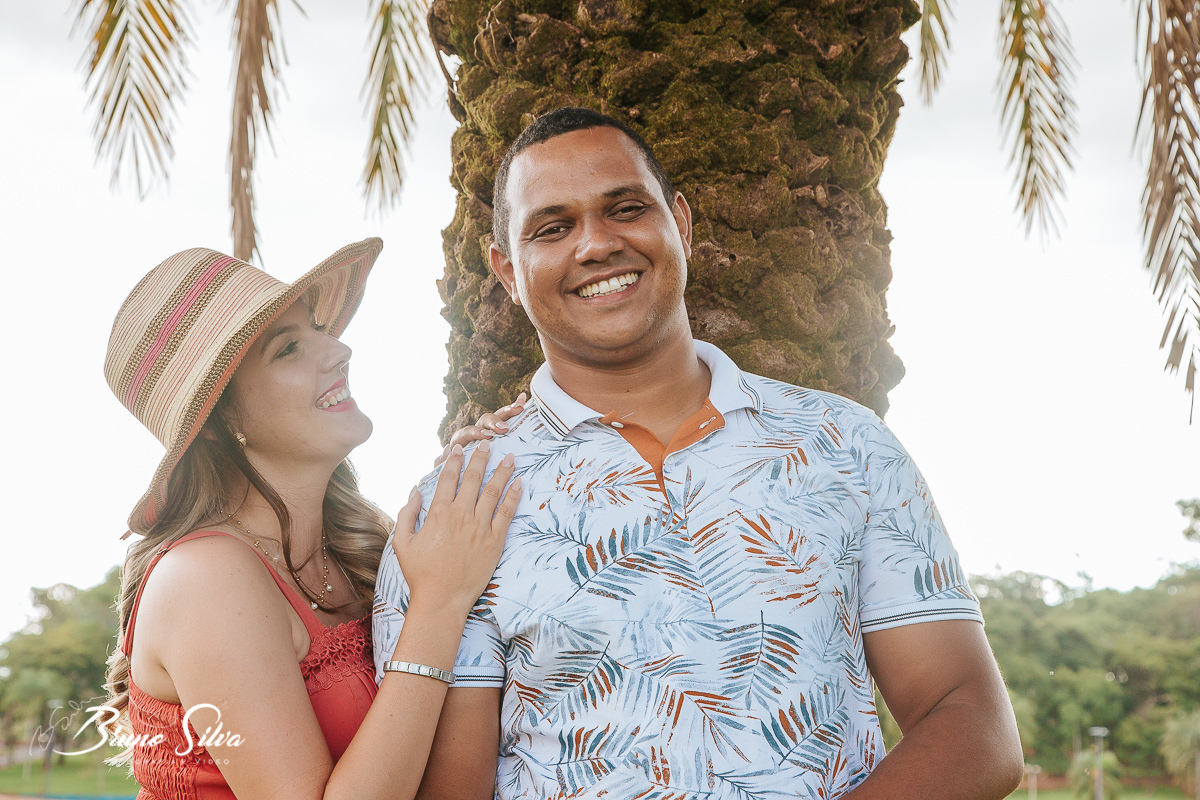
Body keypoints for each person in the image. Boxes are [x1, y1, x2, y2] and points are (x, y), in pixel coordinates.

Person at [373, 109, 1025, 800]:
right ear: (507, 270)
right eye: (552, 228)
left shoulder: (845, 443)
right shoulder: (458, 508)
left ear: (680, 225)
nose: (596, 244)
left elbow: (972, 722)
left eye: (626, 209)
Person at [103, 238, 524, 800]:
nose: (339, 350)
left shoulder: (360, 552)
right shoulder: (203, 577)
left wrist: (474, 477)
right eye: (288, 349)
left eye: (318, 329)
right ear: (217, 421)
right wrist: (438, 605)